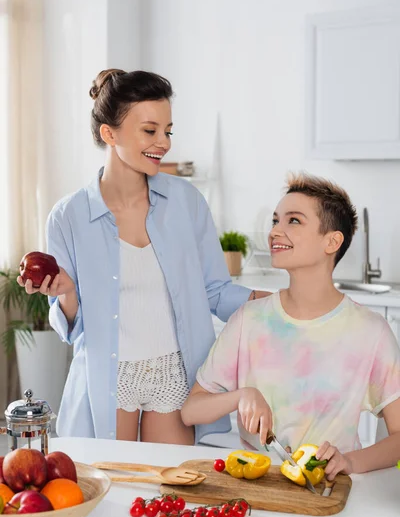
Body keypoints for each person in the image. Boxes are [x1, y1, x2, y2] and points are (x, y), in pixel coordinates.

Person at [18, 69, 269, 445]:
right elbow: (70, 327)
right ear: (110, 133)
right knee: (114, 488)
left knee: (168, 491)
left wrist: (277, 304)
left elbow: (215, 291)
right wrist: (67, 292)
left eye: (168, 131)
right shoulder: (68, 216)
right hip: (109, 377)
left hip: (174, 371)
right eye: (150, 131)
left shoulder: (187, 203)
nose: (163, 142)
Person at [182, 173, 400, 479]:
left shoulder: (371, 332)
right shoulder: (249, 319)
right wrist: (241, 395)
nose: (275, 232)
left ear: (332, 241)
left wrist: (350, 462)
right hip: (257, 487)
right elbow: (191, 410)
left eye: (293, 221)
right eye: (275, 220)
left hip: (330, 490)